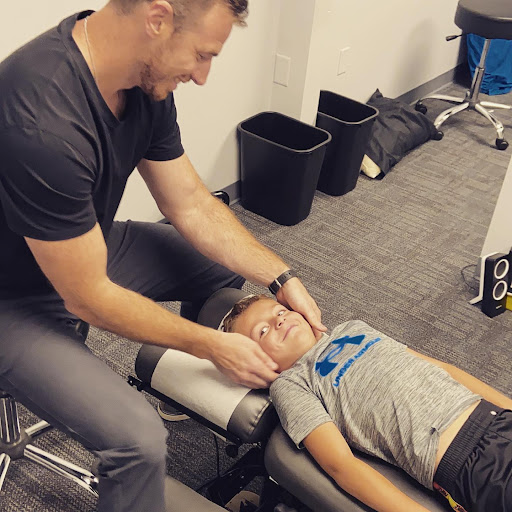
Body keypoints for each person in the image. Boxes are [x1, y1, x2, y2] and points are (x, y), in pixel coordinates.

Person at [0, 1, 326, 511]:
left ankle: (188, 388)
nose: (202, 75)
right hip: (13, 299)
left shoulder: (141, 85)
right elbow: (87, 298)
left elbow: (190, 203)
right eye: (202, 54)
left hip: (80, 250)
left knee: (216, 266)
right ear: (157, 19)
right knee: (137, 441)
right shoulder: (41, 119)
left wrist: (281, 277)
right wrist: (209, 346)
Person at [222, 293, 512, 512]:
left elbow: (444, 368)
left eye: (280, 311)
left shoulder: (353, 328)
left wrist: (506, 406)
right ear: (255, 362)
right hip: (466, 463)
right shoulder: (291, 384)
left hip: (495, 418)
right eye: (263, 331)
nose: (279, 321)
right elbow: (341, 465)